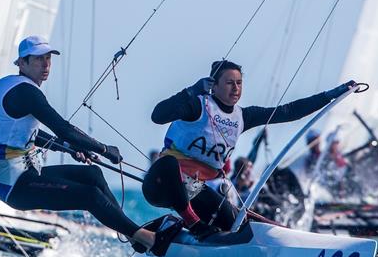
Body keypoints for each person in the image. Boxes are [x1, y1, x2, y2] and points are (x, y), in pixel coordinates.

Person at [0, 35, 178, 254]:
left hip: (27, 174)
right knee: (89, 195)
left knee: (93, 176)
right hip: (15, 186)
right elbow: (62, 128)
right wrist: (103, 149)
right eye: (38, 60)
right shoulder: (27, 93)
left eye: (48, 59)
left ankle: (134, 235)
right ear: (22, 63)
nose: (45, 65)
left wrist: (70, 149)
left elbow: (29, 135)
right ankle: (149, 240)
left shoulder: (8, 85)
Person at [143, 59, 355, 236]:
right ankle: (193, 225)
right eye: (229, 83)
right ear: (213, 86)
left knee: (236, 226)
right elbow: (158, 116)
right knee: (169, 163)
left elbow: (288, 111)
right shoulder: (197, 105)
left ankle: (176, 230)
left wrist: (330, 96)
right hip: (163, 184)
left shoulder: (243, 116)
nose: (235, 88)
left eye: (239, 83)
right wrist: (191, 91)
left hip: (195, 190)